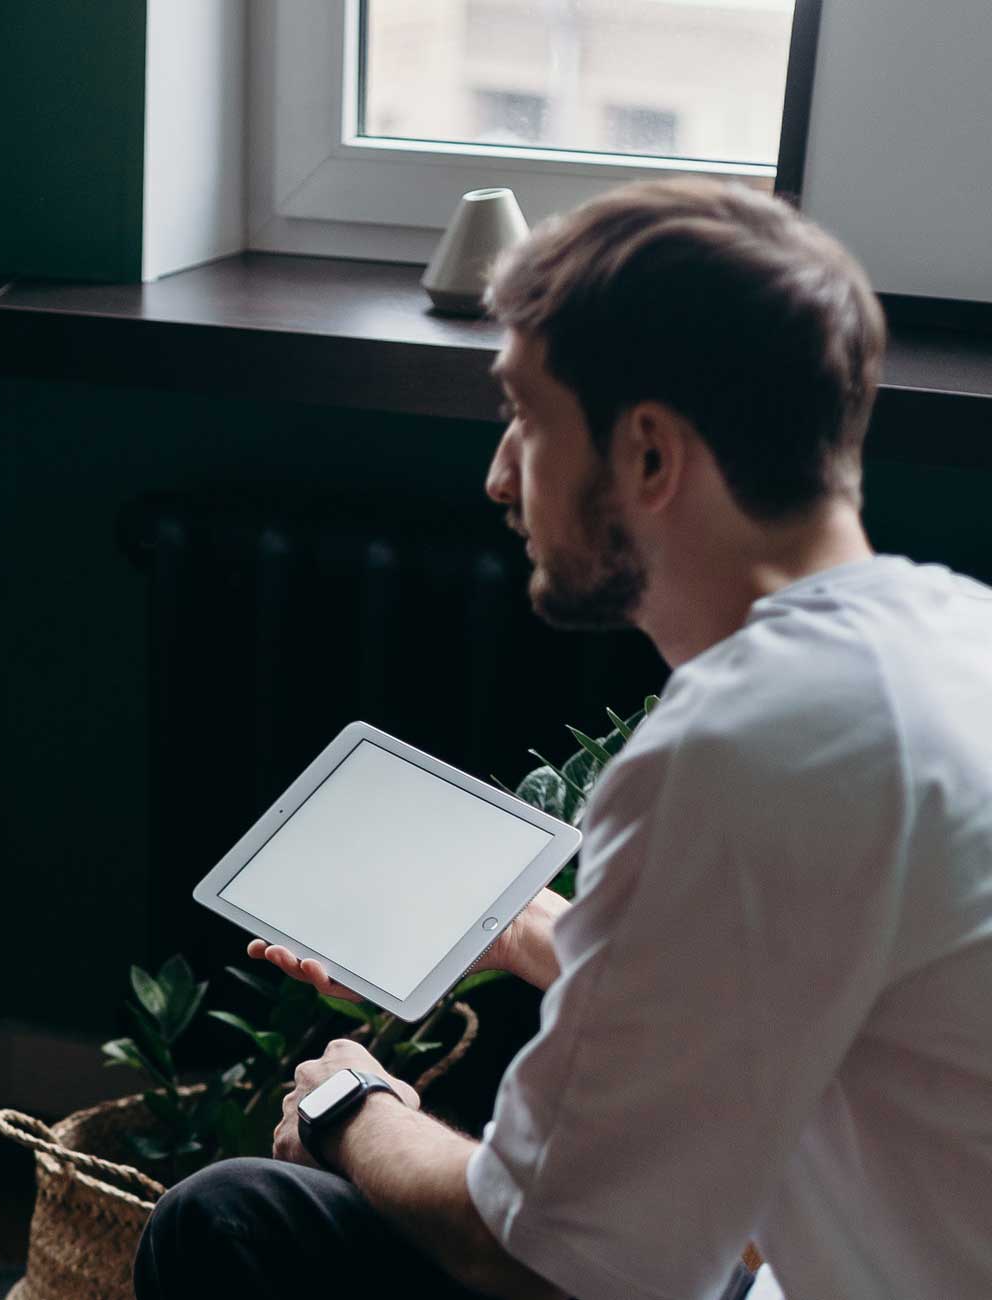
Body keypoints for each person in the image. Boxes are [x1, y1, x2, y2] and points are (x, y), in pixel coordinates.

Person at [135, 178, 992, 1299]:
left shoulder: (739, 745)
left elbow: (545, 1252)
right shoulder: (952, 638)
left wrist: (350, 1106)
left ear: (647, 455)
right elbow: (788, 981)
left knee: (230, 1223)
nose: (499, 475)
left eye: (525, 418)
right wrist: (536, 928)